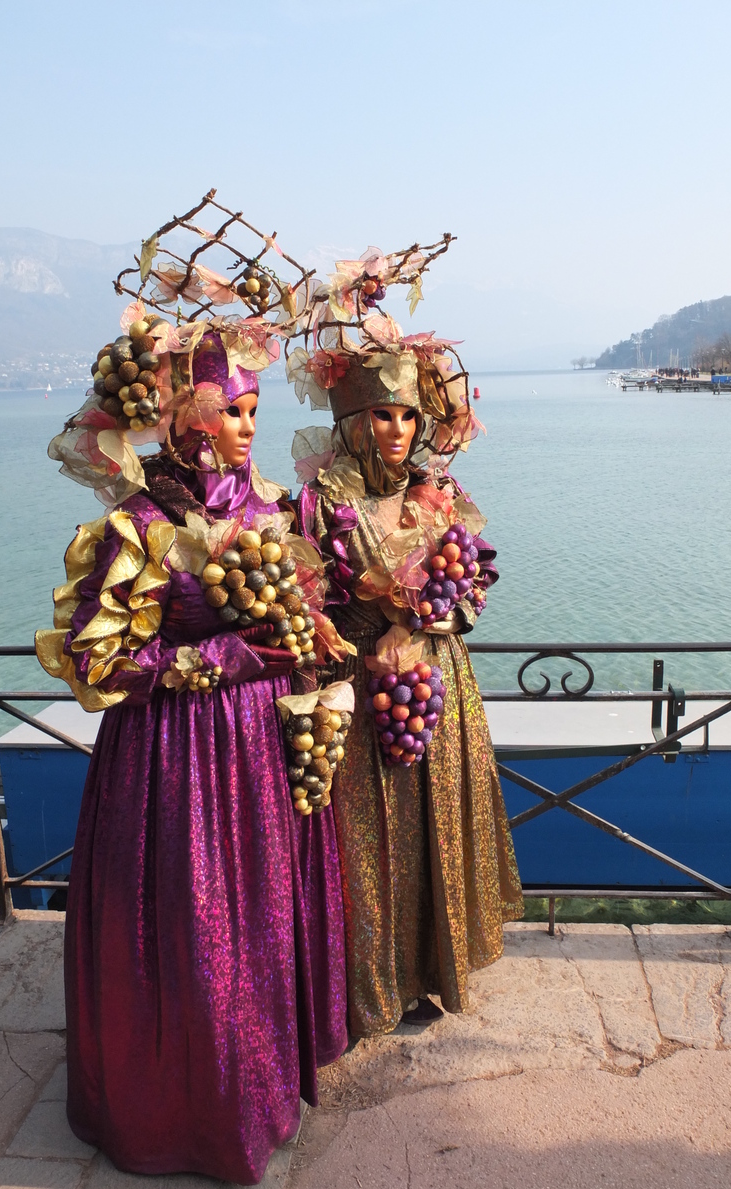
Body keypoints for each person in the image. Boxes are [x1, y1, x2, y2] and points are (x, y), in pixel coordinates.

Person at [36, 314, 347, 1184]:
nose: (251, 428)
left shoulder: (272, 512)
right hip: (170, 759)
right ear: (184, 419)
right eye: (236, 411)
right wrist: (218, 655)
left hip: (255, 749)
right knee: (189, 923)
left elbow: (295, 615)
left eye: (256, 410)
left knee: (252, 919)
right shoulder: (138, 525)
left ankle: (260, 1081)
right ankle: (187, 1113)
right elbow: (97, 658)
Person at [288, 243, 523, 1037]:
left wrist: (431, 624)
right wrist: (372, 629)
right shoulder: (320, 505)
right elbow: (303, 600)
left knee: (437, 829)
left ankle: (435, 969)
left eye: (406, 415)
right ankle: (369, 988)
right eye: (379, 414)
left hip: (438, 689)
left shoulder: (442, 491)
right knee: (370, 847)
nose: (395, 429)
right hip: (358, 696)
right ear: (351, 421)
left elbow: (476, 580)